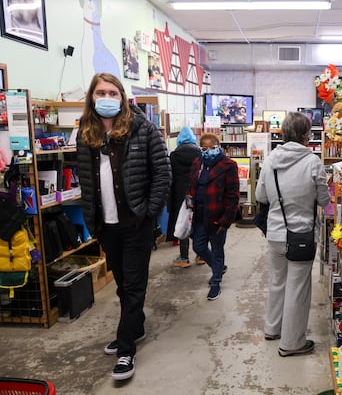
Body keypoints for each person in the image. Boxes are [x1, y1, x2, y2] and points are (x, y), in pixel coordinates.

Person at [76, 73, 171, 381]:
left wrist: (150, 212)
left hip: (135, 223)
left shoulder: (142, 128)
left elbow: (162, 173)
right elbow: (87, 181)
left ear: (122, 96)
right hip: (106, 225)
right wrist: (91, 220)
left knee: (133, 287)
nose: (107, 97)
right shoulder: (85, 132)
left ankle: (126, 350)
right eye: (101, 92)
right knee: (122, 286)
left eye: (112, 92)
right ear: (92, 97)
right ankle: (135, 327)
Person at [255, 112, 330, 357]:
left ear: (283, 133)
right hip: (302, 236)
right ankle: (291, 342)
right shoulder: (312, 162)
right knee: (298, 287)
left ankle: (272, 328)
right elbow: (324, 199)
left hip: (276, 233)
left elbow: (260, 197)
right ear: (306, 135)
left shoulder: (270, 160)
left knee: (277, 281)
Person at [187, 133, 239, 300]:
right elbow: (192, 186)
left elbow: (233, 195)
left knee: (217, 250)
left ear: (219, 147)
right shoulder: (197, 164)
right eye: (204, 148)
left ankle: (216, 282)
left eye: (212, 147)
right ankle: (218, 267)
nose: (208, 151)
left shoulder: (228, 165)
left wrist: (226, 219)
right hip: (200, 214)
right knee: (198, 246)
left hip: (217, 216)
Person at [166, 126, 204, 267]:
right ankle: (201, 255)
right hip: (196, 193)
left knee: (183, 223)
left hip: (180, 195)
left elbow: (170, 178)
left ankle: (184, 257)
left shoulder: (174, 156)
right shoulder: (200, 154)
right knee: (197, 222)